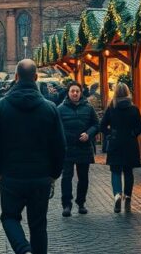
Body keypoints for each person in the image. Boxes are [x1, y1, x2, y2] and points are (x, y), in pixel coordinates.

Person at [0, 60, 65, 254]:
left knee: (10, 218)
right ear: (36, 78)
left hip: (11, 177)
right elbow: (60, 146)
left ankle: (23, 249)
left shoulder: (1, 107)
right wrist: (54, 174)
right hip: (41, 177)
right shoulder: (50, 108)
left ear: (16, 77)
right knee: (38, 225)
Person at [56, 81, 98, 217]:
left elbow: (96, 124)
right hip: (67, 148)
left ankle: (81, 203)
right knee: (67, 177)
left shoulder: (88, 108)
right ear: (68, 93)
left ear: (81, 93)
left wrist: (89, 134)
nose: (75, 93)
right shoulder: (60, 109)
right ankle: (66, 205)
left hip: (84, 148)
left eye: (77, 91)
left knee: (83, 177)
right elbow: (55, 128)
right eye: (72, 91)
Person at [101, 82, 141, 214]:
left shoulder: (111, 108)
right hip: (130, 144)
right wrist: (133, 134)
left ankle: (117, 195)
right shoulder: (134, 109)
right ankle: (128, 197)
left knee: (115, 171)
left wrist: (110, 134)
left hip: (115, 143)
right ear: (127, 93)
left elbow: (102, 126)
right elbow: (140, 126)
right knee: (128, 172)